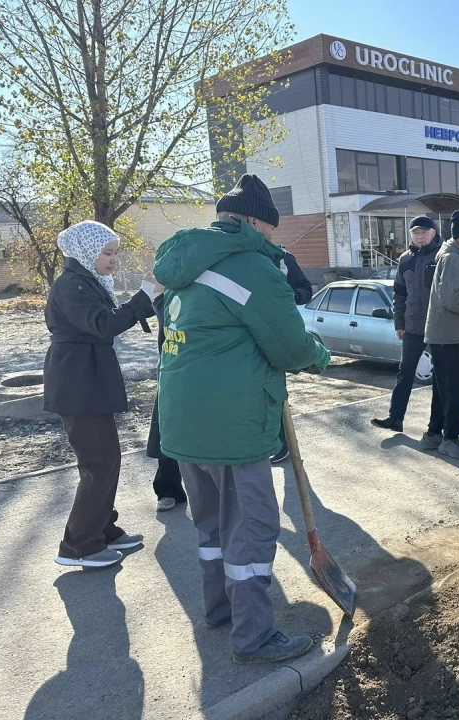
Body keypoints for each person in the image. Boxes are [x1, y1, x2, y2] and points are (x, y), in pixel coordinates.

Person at [154, 173, 331, 665]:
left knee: (211, 527)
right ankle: (253, 636)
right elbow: (290, 346)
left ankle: (219, 610)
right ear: (254, 221)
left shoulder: (182, 264)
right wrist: (319, 356)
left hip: (184, 421)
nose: (274, 238)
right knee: (251, 530)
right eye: (271, 228)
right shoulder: (252, 267)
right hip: (232, 424)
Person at [43, 221, 156, 567]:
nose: (113, 260)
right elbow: (104, 324)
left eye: (116, 252)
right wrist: (145, 297)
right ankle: (78, 545)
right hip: (78, 384)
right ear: (86, 252)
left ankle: (101, 528)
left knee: (107, 458)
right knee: (98, 462)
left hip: (86, 382)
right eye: (107, 253)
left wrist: (141, 300)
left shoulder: (85, 281)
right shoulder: (70, 285)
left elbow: (106, 320)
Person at [371, 216, 442, 433]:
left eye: (424, 232)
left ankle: (439, 423)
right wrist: (398, 322)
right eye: (415, 233)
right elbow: (399, 293)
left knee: (441, 376)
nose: (419, 237)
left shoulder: (443, 256)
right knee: (405, 372)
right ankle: (395, 418)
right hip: (412, 327)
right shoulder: (405, 259)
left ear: (433, 232)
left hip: (439, 327)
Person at [422, 210, 459, 459]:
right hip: (445, 335)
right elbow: (451, 297)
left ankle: (434, 434)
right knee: (456, 389)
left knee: (442, 387)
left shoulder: (454, 255)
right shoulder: (453, 258)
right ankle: (451, 438)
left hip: (449, 334)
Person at [269, 248, 315, 463]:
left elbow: (305, 289)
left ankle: (282, 444)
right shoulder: (232, 253)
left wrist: (291, 296)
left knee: (274, 391)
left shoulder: (283, 257)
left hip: (275, 332)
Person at [147, 292, 188, 512]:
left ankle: (218, 491)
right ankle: (168, 488)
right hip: (173, 368)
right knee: (168, 429)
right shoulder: (168, 289)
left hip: (205, 366)